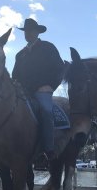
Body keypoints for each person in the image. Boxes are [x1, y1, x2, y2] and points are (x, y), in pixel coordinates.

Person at [12, 18, 65, 162]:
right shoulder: (20, 54)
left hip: (41, 91)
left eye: (31, 31)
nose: (28, 33)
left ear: (37, 32)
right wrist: (15, 84)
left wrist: (51, 86)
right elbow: (14, 75)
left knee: (46, 111)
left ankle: (47, 150)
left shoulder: (48, 48)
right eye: (26, 31)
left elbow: (60, 68)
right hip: (22, 92)